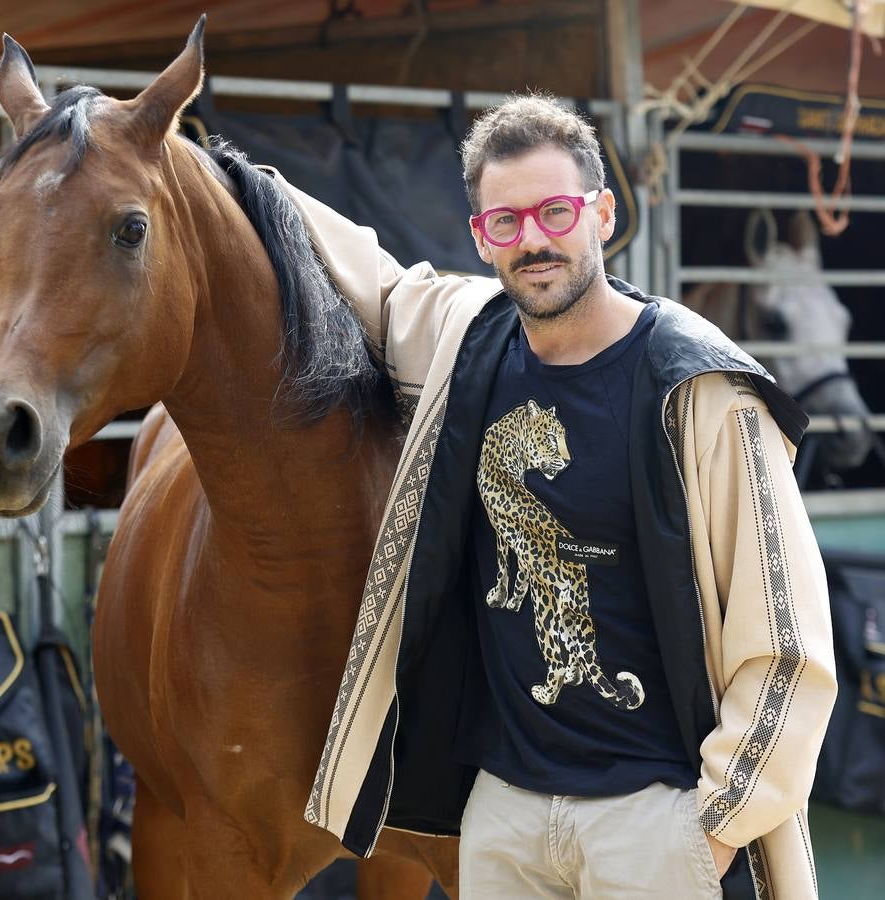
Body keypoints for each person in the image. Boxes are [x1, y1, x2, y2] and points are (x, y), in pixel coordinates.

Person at [267, 94, 837, 899]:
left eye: (556, 211)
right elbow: (379, 282)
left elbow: (788, 638)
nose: (532, 239)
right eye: (506, 222)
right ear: (480, 237)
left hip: (656, 820)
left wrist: (713, 827)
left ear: (602, 214)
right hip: (505, 817)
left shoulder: (700, 389)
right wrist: (226, 173)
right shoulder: (469, 342)